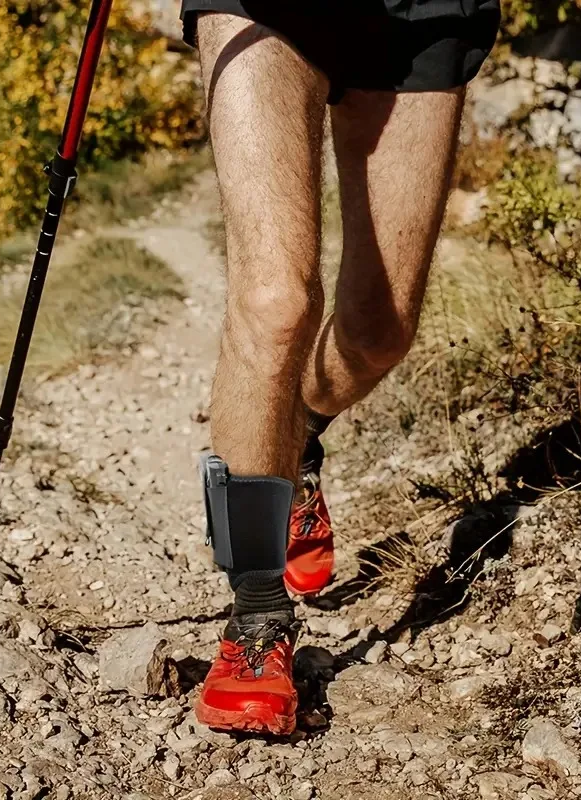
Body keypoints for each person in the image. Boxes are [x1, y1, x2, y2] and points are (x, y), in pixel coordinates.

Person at [183, 0, 501, 735]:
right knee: (275, 300)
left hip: (421, 10)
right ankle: (257, 621)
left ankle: (298, 444)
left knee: (377, 331)